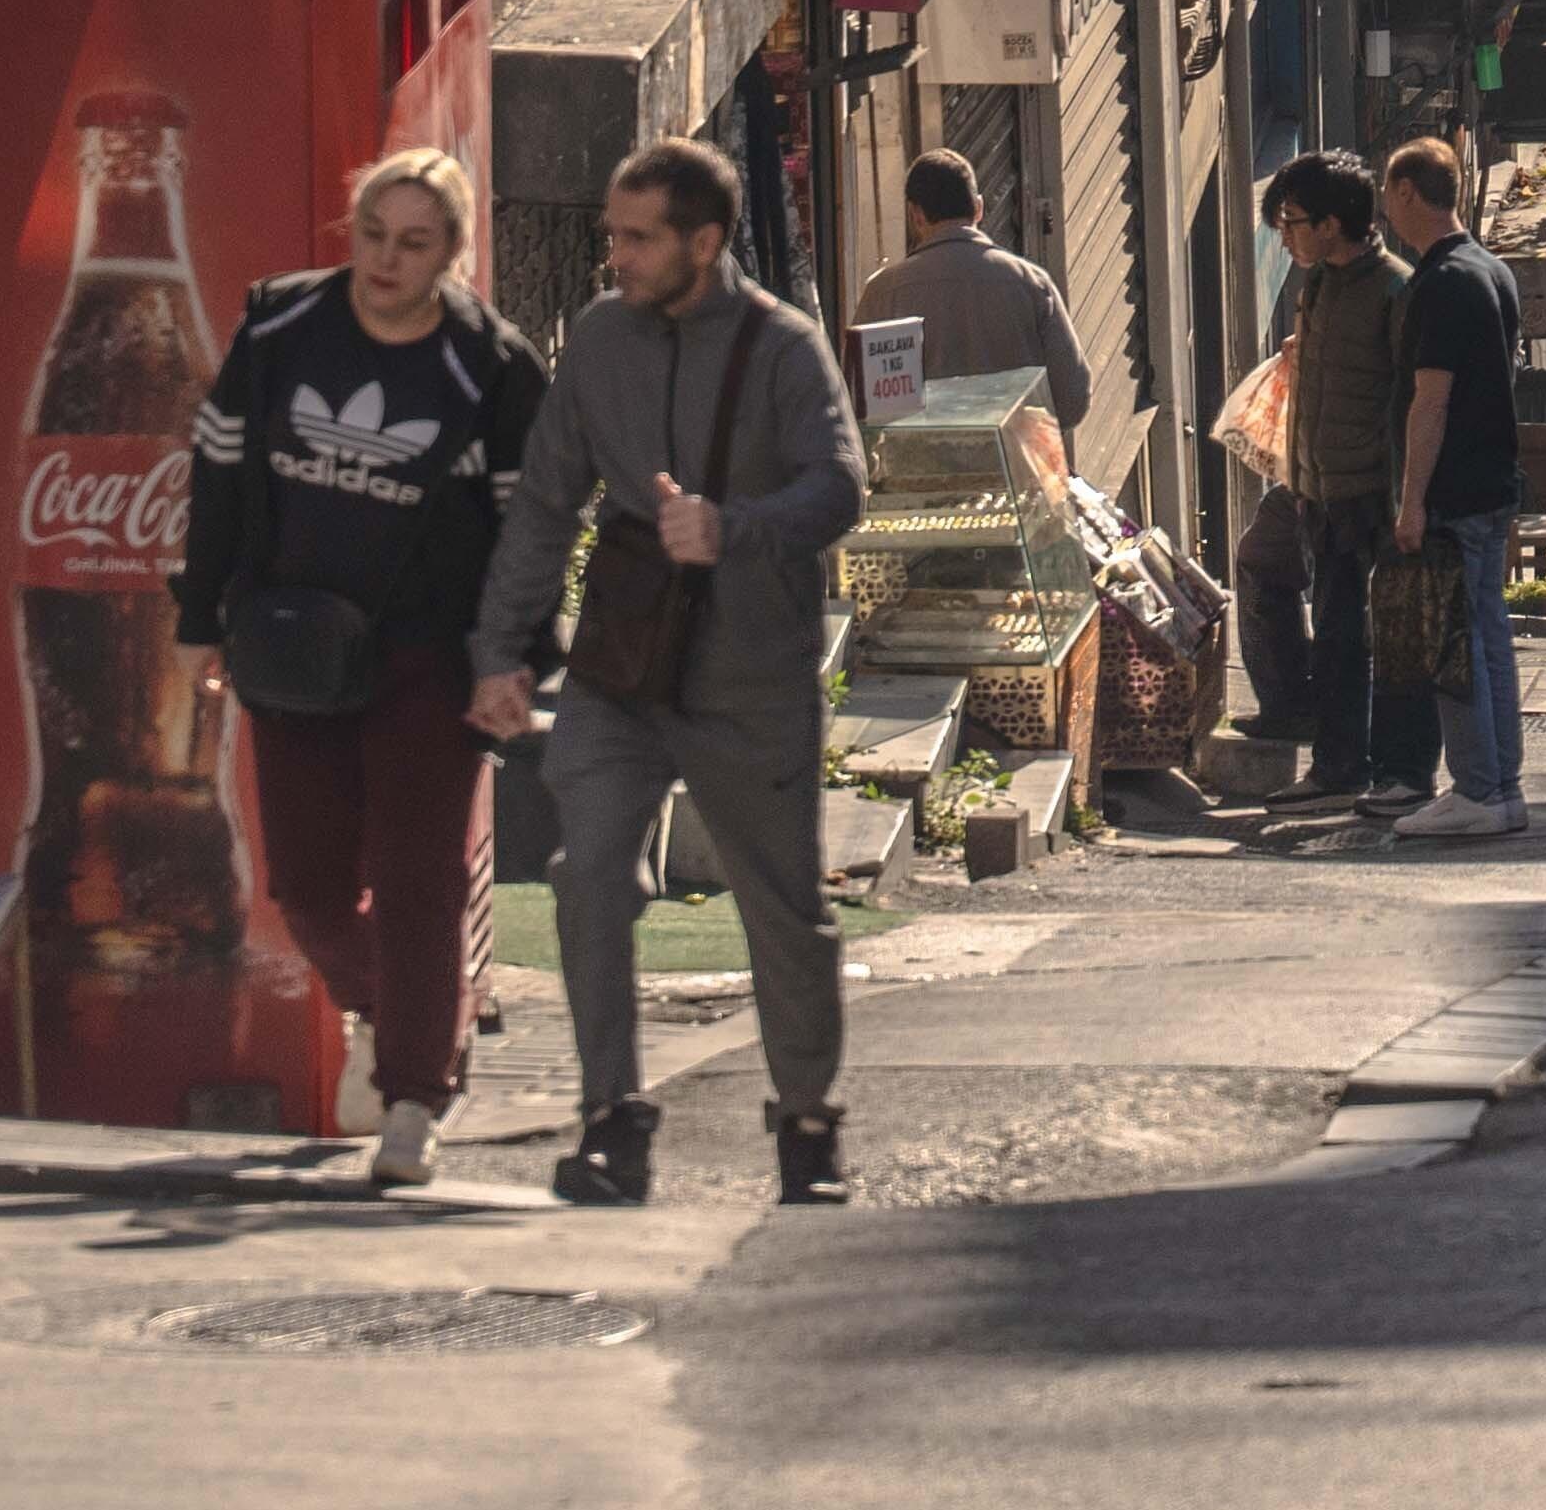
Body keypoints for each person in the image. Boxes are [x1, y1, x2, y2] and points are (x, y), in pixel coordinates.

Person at [471, 134, 870, 1209]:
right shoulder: (599, 341)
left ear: (705, 240)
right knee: (586, 873)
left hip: (752, 669)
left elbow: (840, 488)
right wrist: (502, 652)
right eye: (612, 234)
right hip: (622, 660)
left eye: (637, 238)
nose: (617, 255)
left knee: (782, 904)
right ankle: (613, 1120)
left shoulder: (784, 347)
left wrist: (732, 528)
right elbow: (548, 500)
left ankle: (806, 1124)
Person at [170, 141, 544, 1188]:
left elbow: (534, 530)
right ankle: (399, 1019)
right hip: (295, 648)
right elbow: (218, 480)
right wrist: (202, 618)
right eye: (373, 235)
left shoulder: (493, 367)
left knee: (417, 881)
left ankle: (415, 1098)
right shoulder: (282, 326)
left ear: (452, 256)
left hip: (435, 660)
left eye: (414, 243)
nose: (386, 260)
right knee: (310, 893)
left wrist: (513, 662)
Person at [1379, 135, 1536, 842]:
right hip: (1494, 479)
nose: (1385, 209)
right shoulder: (1492, 271)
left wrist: (1411, 500)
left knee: (1455, 643)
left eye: (1389, 194)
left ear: (1408, 193)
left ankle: (1477, 787)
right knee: (1488, 634)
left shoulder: (1441, 283)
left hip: (1455, 488)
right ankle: (1500, 787)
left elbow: (1429, 401)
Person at [1247, 158, 1409, 801]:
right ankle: (1336, 760)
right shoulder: (1318, 286)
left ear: (1333, 224)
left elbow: (1410, 401)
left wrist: (1403, 503)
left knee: (1360, 635)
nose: (1283, 237)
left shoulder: (1395, 290)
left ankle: (1366, 766)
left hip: (1370, 494)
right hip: (1316, 488)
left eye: (1291, 222)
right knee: (1337, 631)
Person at [859, 148, 1102, 498]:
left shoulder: (883, 293)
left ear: (915, 215)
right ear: (979, 208)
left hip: (919, 498)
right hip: (1017, 493)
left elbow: (863, 409)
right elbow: (1072, 397)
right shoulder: (1031, 283)